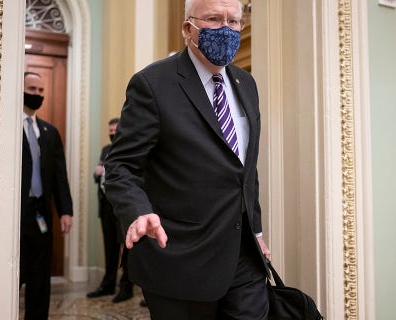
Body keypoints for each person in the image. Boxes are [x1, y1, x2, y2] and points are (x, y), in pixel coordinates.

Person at [103, 0, 271, 318]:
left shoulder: (246, 84)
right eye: (212, 19)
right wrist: (137, 211)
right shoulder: (153, 84)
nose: (226, 29)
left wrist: (257, 232)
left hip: (244, 257)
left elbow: (245, 170)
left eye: (233, 22)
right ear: (187, 28)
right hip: (181, 260)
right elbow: (121, 165)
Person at [20, 71, 73, 320]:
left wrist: (65, 211)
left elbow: (60, 176)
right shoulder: (5, 127)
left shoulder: (49, 132)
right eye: (32, 89)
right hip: (15, 214)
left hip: (41, 215)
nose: (37, 95)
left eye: (41, 91)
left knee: (40, 278)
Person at [86, 117, 134, 303]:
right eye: (110, 131)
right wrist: (96, 174)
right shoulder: (106, 150)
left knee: (127, 248)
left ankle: (126, 287)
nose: (112, 133)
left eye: (115, 130)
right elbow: (99, 174)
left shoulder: (130, 147)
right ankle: (107, 284)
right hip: (106, 205)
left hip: (122, 207)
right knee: (109, 247)